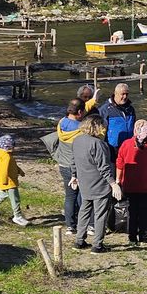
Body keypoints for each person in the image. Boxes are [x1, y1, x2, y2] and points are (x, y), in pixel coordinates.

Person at [71, 115, 123, 254]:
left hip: (85, 182)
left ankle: (79, 241)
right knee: (100, 215)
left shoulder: (77, 140)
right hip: (100, 184)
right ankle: (97, 245)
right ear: (96, 126)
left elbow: (73, 161)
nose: (104, 128)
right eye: (102, 126)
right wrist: (113, 184)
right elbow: (104, 167)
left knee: (84, 211)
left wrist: (74, 176)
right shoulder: (98, 144)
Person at [116, 119, 147, 246]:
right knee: (144, 212)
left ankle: (133, 236)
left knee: (133, 211)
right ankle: (143, 235)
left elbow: (120, 164)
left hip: (131, 185)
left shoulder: (126, 144)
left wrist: (118, 181)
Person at [0, 135, 29, 226]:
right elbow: (3, 170)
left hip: (5, 182)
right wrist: (5, 181)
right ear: (9, 146)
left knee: (2, 195)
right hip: (9, 182)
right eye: (13, 145)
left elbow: (13, 166)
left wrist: (20, 171)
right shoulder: (6, 157)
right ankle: (17, 216)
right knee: (15, 199)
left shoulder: (3, 155)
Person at [57, 98, 85, 234]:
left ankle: (69, 225)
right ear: (80, 112)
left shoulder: (61, 123)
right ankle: (82, 222)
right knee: (81, 195)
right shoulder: (80, 130)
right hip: (76, 166)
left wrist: (92, 101)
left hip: (63, 164)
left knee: (69, 196)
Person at [99, 83, 136, 159]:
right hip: (112, 148)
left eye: (126, 94)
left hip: (128, 146)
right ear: (115, 93)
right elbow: (98, 129)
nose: (125, 97)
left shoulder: (131, 109)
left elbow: (134, 125)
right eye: (122, 94)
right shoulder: (105, 109)